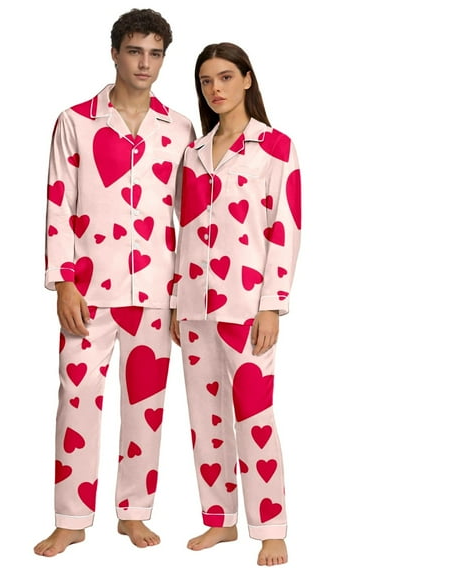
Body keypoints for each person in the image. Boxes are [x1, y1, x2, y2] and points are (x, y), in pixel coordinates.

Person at [34, 8, 195, 557]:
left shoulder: (180, 129)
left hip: (156, 292)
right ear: (114, 53)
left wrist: (183, 295)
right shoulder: (76, 121)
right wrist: (63, 282)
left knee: (145, 407)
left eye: (155, 54)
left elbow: (188, 217)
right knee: (76, 401)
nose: (144, 63)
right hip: (88, 292)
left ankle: (133, 512)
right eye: (135, 51)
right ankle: (71, 518)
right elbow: (59, 204)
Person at [170, 42, 301, 566]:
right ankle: (219, 520)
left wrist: (272, 303)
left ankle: (271, 528)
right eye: (206, 81)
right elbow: (182, 229)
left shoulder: (275, 147)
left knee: (253, 413)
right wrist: (177, 299)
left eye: (225, 77)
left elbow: (285, 227)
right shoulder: (193, 153)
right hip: (194, 305)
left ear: (247, 79)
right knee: (205, 418)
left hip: (247, 306)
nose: (216, 89)